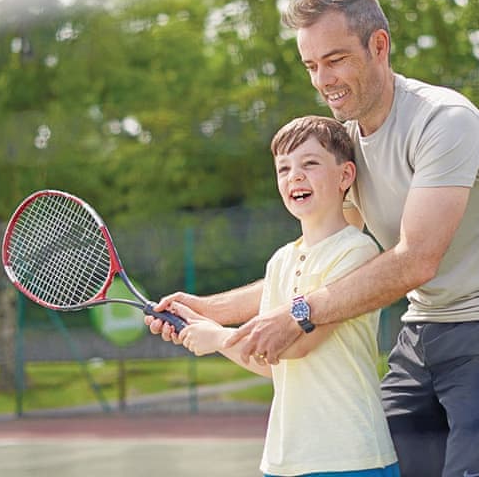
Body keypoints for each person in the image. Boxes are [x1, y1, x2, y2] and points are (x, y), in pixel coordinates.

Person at [147, 0, 479, 477]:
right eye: (312, 66)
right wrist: (208, 307)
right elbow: (330, 265)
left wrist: (298, 314)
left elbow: (414, 259)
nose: (323, 81)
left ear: (378, 46)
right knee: (381, 459)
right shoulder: (350, 146)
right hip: (425, 327)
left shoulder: (445, 123)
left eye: (335, 59)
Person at [171, 115, 398, 477]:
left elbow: (296, 346)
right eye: (284, 168)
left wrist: (215, 337)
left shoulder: (357, 253)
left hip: (351, 457)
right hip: (283, 460)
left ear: (345, 176)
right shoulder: (280, 261)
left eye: (310, 163)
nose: (294, 176)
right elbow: (268, 361)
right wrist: (200, 322)